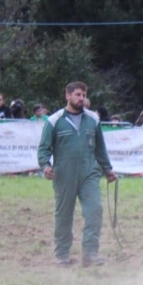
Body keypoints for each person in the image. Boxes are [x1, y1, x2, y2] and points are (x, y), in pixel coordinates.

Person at [37, 81, 117, 266]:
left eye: (83, 95)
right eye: (78, 95)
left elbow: (100, 148)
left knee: (95, 210)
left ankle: (90, 254)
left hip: (89, 172)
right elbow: (43, 148)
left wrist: (108, 169)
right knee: (64, 215)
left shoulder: (93, 120)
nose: (82, 98)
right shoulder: (54, 121)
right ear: (68, 96)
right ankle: (62, 255)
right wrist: (45, 166)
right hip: (64, 174)